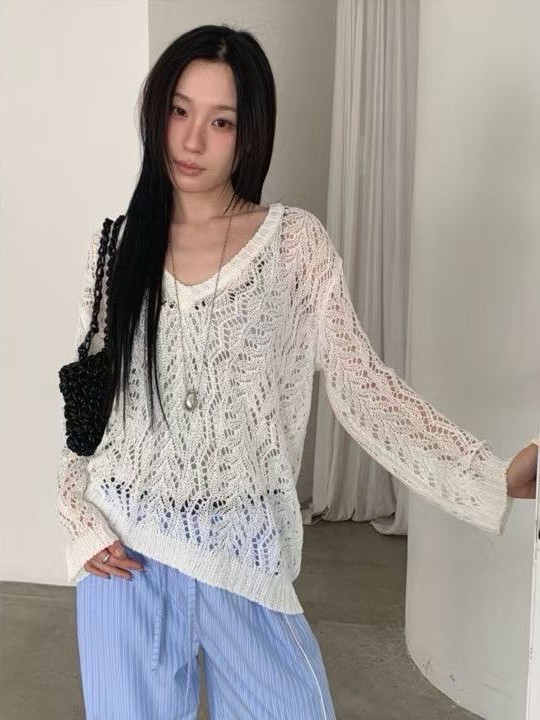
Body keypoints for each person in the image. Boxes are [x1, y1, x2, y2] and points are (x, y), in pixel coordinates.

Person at [56, 24, 538, 720]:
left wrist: (489, 476)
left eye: (220, 122)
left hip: (244, 557)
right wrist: (78, 516)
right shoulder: (119, 246)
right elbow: (87, 408)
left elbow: (362, 387)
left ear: (248, 135)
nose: (192, 139)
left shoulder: (292, 245)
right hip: (125, 554)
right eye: (180, 111)